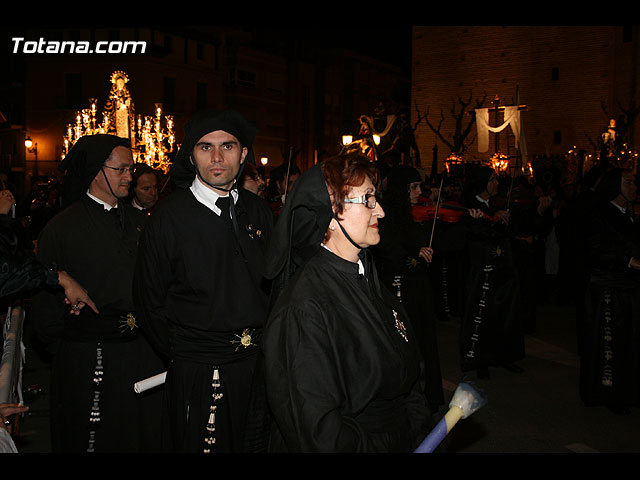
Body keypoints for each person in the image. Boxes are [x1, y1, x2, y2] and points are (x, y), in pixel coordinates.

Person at [263, 153, 433, 452]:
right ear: (328, 216)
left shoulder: (369, 280)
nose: (380, 211)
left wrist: (418, 433)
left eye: (375, 197)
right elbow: (318, 431)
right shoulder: (305, 309)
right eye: (367, 199)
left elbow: (411, 380)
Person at [132, 109, 274, 453]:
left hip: (256, 366)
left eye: (228, 146)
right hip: (197, 367)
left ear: (243, 155)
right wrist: (188, 351)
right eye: (204, 147)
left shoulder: (259, 211)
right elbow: (149, 300)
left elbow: (275, 285)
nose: (217, 157)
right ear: (191, 157)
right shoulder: (167, 217)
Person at [29, 134, 164, 453]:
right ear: (95, 171)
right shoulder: (62, 228)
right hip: (89, 359)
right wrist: (73, 353)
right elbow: (45, 312)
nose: (130, 176)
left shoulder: (140, 221)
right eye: (121, 169)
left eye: (131, 169)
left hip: (141, 354)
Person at [372, 164, 444, 412]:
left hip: (419, 289)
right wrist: (415, 254)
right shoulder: (387, 215)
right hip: (399, 288)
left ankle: (428, 396)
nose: (419, 191)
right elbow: (390, 251)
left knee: (425, 340)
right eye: (415, 187)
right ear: (402, 190)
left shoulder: (415, 214)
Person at [580, 168, 640, 415]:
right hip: (608, 288)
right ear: (615, 186)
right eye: (628, 182)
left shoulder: (630, 215)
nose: (634, 186)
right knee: (610, 343)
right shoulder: (600, 214)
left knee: (630, 341)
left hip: (629, 288)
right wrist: (630, 261)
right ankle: (609, 393)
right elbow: (596, 249)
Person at [457, 165, 523, 380]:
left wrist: (499, 219)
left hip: (502, 271)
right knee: (481, 317)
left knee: (503, 316)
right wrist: (485, 221)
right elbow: (471, 238)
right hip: (481, 273)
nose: (497, 183)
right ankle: (479, 360)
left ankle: (503, 356)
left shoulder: (492, 206)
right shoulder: (469, 207)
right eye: (493, 179)